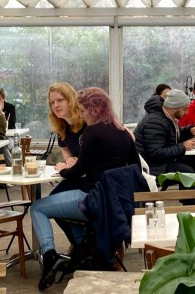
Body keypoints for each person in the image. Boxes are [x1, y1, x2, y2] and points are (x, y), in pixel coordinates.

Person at [33, 87, 139, 290]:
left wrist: (63, 170)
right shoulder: (121, 131)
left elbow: (80, 169)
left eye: (82, 111)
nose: (80, 115)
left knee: (38, 207)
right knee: (58, 197)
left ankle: (49, 256)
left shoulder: (92, 132)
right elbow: (134, 167)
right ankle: (84, 249)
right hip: (116, 203)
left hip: (92, 199)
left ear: (95, 109)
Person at [134, 90, 195, 176]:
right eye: (184, 109)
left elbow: (169, 136)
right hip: (151, 166)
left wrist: (189, 131)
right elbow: (156, 153)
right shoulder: (155, 122)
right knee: (188, 172)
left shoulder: (165, 116)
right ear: (174, 107)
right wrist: (183, 147)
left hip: (160, 162)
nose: (187, 112)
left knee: (193, 164)